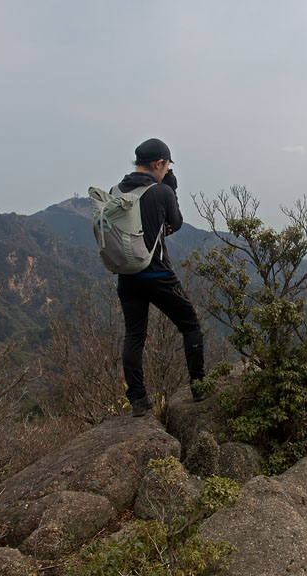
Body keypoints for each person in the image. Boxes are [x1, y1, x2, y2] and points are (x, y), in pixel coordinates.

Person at [113, 138, 205, 416]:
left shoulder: (116, 190)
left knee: (134, 335)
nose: (167, 171)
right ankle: (200, 387)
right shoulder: (161, 191)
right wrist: (171, 191)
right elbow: (174, 224)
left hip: (127, 275)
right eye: (166, 166)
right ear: (159, 163)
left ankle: (139, 400)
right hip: (157, 274)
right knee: (190, 324)